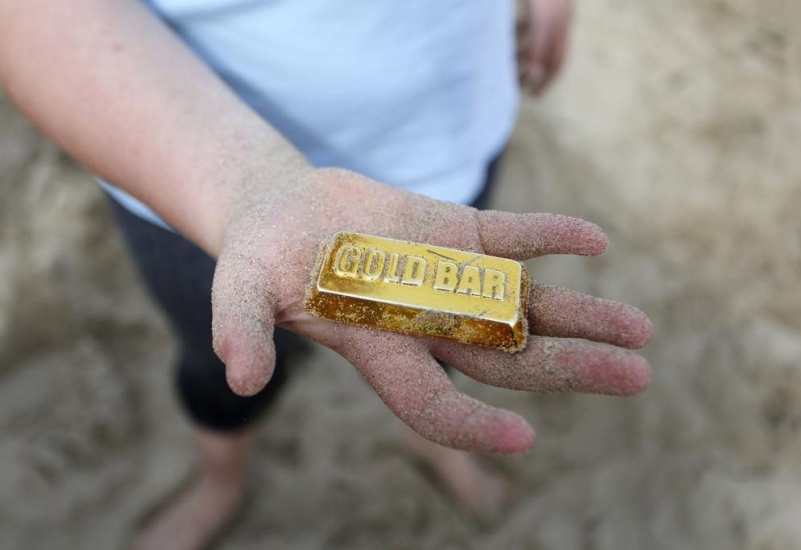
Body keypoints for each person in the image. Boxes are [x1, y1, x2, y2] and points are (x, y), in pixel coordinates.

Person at [0, 1, 652, 548]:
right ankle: (220, 480)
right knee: (222, 358)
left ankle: (431, 444)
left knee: (443, 335)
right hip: (190, 170)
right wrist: (246, 190)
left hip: (450, 134)